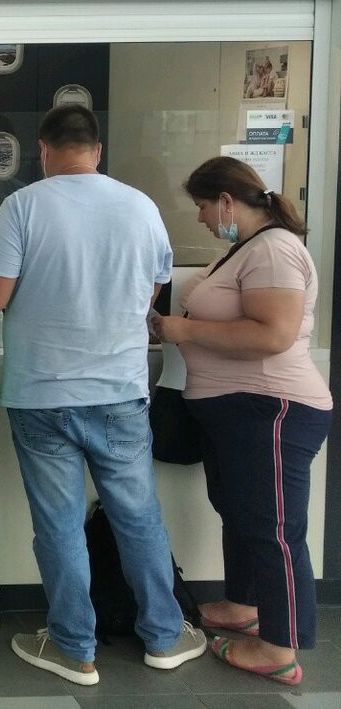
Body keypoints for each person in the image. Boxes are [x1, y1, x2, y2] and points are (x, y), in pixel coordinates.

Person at [0, 104, 205, 686]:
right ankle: (165, 637)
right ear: (97, 151)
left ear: (43, 151)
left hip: (41, 395)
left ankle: (74, 649)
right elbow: (152, 290)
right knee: (138, 518)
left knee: (59, 524)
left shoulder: (22, 207)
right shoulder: (141, 207)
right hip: (119, 391)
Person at [154, 157, 331, 687]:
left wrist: (186, 330)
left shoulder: (275, 250)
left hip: (271, 407)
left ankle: (280, 647)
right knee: (240, 512)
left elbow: (273, 334)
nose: (202, 218)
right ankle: (244, 605)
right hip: (236, 411)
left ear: (227, 201)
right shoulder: (247, 249)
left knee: (274, 529)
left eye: (203, 206)